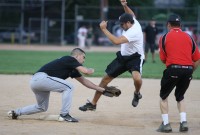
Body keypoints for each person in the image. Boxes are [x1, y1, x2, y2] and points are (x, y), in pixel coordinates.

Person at [7, 48, 107, 123]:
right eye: (83, 57)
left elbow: (85, 82)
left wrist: (102, 90)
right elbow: (86, 71)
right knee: (69, 87)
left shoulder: (72, 68)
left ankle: (15, 112)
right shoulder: (69, 59)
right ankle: (64, 114)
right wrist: (90, 70)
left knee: (41, 107)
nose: (84, 60)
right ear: (77, 56)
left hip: (36, 82)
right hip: (41, 78)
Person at [79, 0, 144, 111]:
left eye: (122, 24)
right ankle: (93, 104)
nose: (121, 26)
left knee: (137, 79)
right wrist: (125, 6)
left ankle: (137, 93)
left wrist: (104, 29)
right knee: (105, 79)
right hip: (123, 57)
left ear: (128, 23)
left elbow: (116, 41)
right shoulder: (133, 21)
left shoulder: (134, 31)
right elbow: (131, 14)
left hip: (135, 58)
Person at [157, 14, 200, 133]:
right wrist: (190, 70)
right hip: (188, 70)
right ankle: (183, 122)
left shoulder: (164, 37)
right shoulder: (189, 37)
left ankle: (166, 124)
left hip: (173, 69)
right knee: (180, 97)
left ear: (168, 25)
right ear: (180, 25)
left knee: (163, 97)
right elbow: (197, 58)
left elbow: (162, 59)